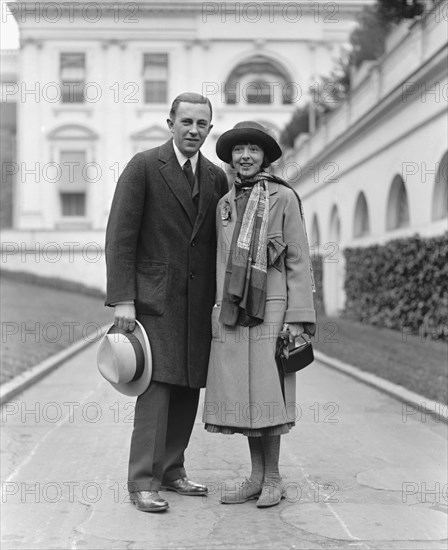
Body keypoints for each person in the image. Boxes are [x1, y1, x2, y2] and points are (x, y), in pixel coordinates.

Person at [105, 92, 228, 513]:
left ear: (210, 129)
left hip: (198, 302)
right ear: (171, 124)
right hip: (153, 300)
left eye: (202, 124)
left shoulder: (216, 177)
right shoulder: (143, 167)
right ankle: (142, 481)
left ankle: (173, 471)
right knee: (155, 389)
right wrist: (123, 298)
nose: (194, 130)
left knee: (188, 386)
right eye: (187, 122)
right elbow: (120, 236)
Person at [203, 121, 316, 508]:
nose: (245, 156)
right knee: (244, 395)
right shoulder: (224, 204)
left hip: (272, 310)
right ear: (231, 157)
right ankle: (255, 477)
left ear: (265, 156)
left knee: (269, 395)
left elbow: (298, 258)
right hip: (234, 312)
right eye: (239, 150)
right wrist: (219, 309)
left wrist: (297, 317)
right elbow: (221, 262)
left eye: (253, 149)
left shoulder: (282, 198)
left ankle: (273, 478)